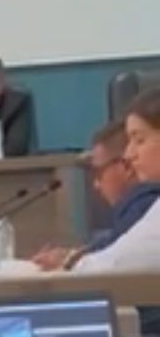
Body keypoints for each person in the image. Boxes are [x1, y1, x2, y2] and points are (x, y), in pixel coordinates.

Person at [31, 90, 160, 277]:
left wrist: (70, 262)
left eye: (140, 140)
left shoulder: (144, 202)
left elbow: (116, 266)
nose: (129, 154)